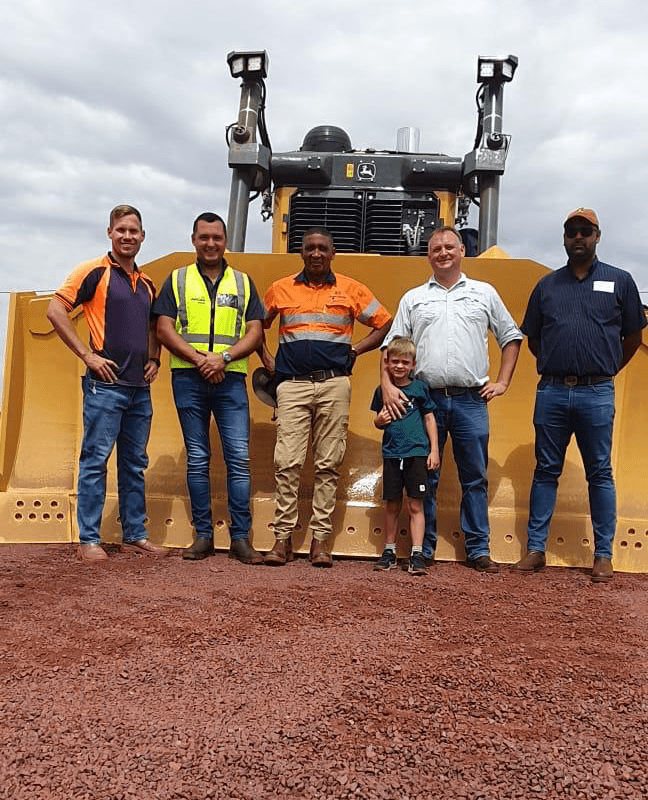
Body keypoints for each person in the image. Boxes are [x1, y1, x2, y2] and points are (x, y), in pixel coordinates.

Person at [513, 208, 646, 583]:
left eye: (585, 231)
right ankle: (536, 549)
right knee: (545, 471)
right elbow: (534, 339)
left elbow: (633, 337)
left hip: (597, 392)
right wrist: (559, 364)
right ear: (564, 238)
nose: (578, 238)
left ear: (597, 236)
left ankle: (603, 554)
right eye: (571, 231)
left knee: (600, 473)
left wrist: (605, 368)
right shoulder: (547, 286)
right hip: (552, 391)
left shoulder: (620, 281)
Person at [382, 226, 522, 573]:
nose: (442, 253)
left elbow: (511, 336)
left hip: (471, 400)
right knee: (424, 475)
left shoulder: (484, 293)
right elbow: (391, 346)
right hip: (423, 400)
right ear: (428, 256)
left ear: (462, 251)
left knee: (474, 476)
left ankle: (478, 549)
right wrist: (387, 387)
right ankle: (423, 548)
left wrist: (503, 382)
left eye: (449, 247)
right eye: (435, 249)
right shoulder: (413, 298)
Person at [261, 227, 392, 567]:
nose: (316, 253)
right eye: (310, 248)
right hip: (291, 385)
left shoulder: (351, 289)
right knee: (286, 462)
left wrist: (356, 350)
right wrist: (266, 358)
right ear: (301, 253)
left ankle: (320, 541)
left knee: (328, 463)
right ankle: (282, 539)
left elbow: (384, 323)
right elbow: (255, 324)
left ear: (333, 253)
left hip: (334, 384)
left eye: (322, 248)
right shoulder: (280, 288)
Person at [47, 205, 167, 563]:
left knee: (134, 463)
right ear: (110, 233)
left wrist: (155, 358)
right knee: (96, 460)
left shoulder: (147, 283)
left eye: (134, 231)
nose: (127, 236)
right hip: (106, 386)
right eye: (121, 230)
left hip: (139, 389)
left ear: (143, 236)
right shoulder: (93, 271)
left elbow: (154, 326)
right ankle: (89, 539)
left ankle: (135, 534)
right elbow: (55, 310)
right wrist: (87, 356)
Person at [154, 212, 264, 564]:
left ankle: (240, 539)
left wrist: (223, 359)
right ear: (194, 240)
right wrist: (201, 359)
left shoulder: (243, 283)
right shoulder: (178, 279)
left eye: (217, 237)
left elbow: (255, 331)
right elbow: (164, 328)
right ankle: (203, 535)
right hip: (188, 378)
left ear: (225, 241)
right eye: (204, 237)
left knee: (239, 459)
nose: (211, 243)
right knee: (198, 458)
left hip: (230, 379)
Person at [371, 337, 440, 576]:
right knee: (392, 504)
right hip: (392, 453)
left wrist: (434, 450)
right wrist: (379, 421)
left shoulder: (420, 389)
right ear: (387, 363)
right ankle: (389, 551)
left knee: (415, 504)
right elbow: (378, 420)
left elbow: (429, 418)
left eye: (405, 362)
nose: (399, 366)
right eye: (395, 362)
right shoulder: (381, 391)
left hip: (417, 453)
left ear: (413, 365)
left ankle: (417, 553)